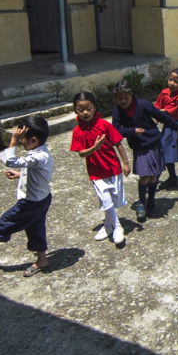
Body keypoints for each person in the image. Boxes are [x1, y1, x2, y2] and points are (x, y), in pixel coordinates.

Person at [0, 116, 53, 277]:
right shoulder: (41, 153)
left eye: (22, 139)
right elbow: (38, 174)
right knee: (35, 227)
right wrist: (20, 174)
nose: (20, 142)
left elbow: (10, 161)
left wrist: (12, 141)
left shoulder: (38, 157)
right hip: (42, 199)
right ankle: (42, 259)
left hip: (31, 202)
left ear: (33, 140)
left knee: (8, 219)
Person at [112, 80, 178, 223]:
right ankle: (141, 203)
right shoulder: (117, 111)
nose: (123, 101)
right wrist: (132, 131)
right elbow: (116, 131)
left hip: (154, 144)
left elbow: (161, 116)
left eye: (126, 97)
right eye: (120, 98)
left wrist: (176, 125)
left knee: (153, 177)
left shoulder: (143, 104)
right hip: (140, 147)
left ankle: (151, 202)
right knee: (144, 176)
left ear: (132, 95)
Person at [70, 92, 131, 246]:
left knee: (114, 200)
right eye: (80, 110)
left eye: (88, 108)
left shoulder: (104, 125)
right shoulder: (78, 131)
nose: (85, 113)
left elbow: (118, 143)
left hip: (112, 167)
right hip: (96, 171)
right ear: (76, 111)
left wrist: (125, 162)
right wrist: (95, 147)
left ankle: (108, 225)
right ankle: (117, 226)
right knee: (105, 199)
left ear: (94, 108)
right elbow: (81, 153)